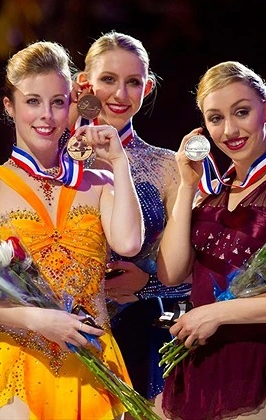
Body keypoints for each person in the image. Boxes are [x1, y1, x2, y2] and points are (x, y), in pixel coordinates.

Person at [0, 40, 144, 420]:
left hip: (93, 359)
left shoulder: (100, 181)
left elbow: (129, 243)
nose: (46, 115)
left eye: (58, 102)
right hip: (18, 361)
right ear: (9, 106)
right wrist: (39, 320)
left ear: (72, 104)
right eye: (33, 101)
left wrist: (119, 162)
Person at [156, 60, 266, 420]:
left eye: (241, 112)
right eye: (215, 118)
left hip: (248, 368)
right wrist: (187, 186)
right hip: (192, 364)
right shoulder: (207, 193)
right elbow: (171, 274)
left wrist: (217, 313)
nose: (229, 130)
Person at [70, 31, 191, 416]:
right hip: (62, 332)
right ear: (84, 83)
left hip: (142, 339)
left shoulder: (168, 167)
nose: (120, 94)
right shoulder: (53, 160)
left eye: (133, 82)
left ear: (148, 87)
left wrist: (147, 284)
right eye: (108, 79)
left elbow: (199, 273)